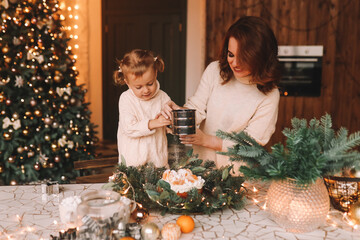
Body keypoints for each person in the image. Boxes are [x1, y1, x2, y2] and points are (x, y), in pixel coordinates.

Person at [161, 16, 282, 169]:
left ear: (261, 57)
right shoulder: (215, 70)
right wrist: (178, 114)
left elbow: (251, 146)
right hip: (200, 165)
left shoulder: (270, 95)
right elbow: (196, 108)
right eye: (231, 55)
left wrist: (206, 140)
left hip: (237, 174)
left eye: (244, 58)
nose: (235, 63)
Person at [114, 49, 172, 167]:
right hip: (133, 164)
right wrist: (153, 123)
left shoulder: (162, 97)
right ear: (128, 83)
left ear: (155, 74)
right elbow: (129, 128)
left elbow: (169, 118)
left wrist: (169, 123)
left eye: (150, 84)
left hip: (158, 162)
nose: (146, 90)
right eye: (139, 87)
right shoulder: (126, 99)